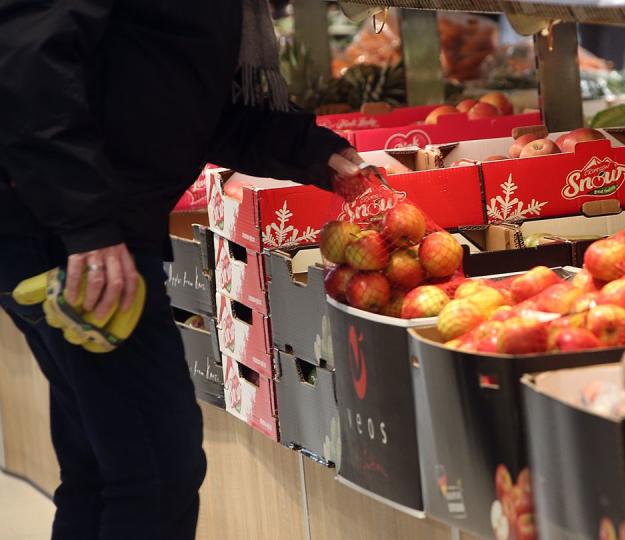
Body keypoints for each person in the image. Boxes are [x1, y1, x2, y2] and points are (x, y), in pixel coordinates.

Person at [0, 1, 360, 538]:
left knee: (105, 469)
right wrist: (89, 226)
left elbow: (179, 102)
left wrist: (317, 153)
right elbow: (25, 60)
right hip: (72, 236)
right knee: (157, 471)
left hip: (74, 223)